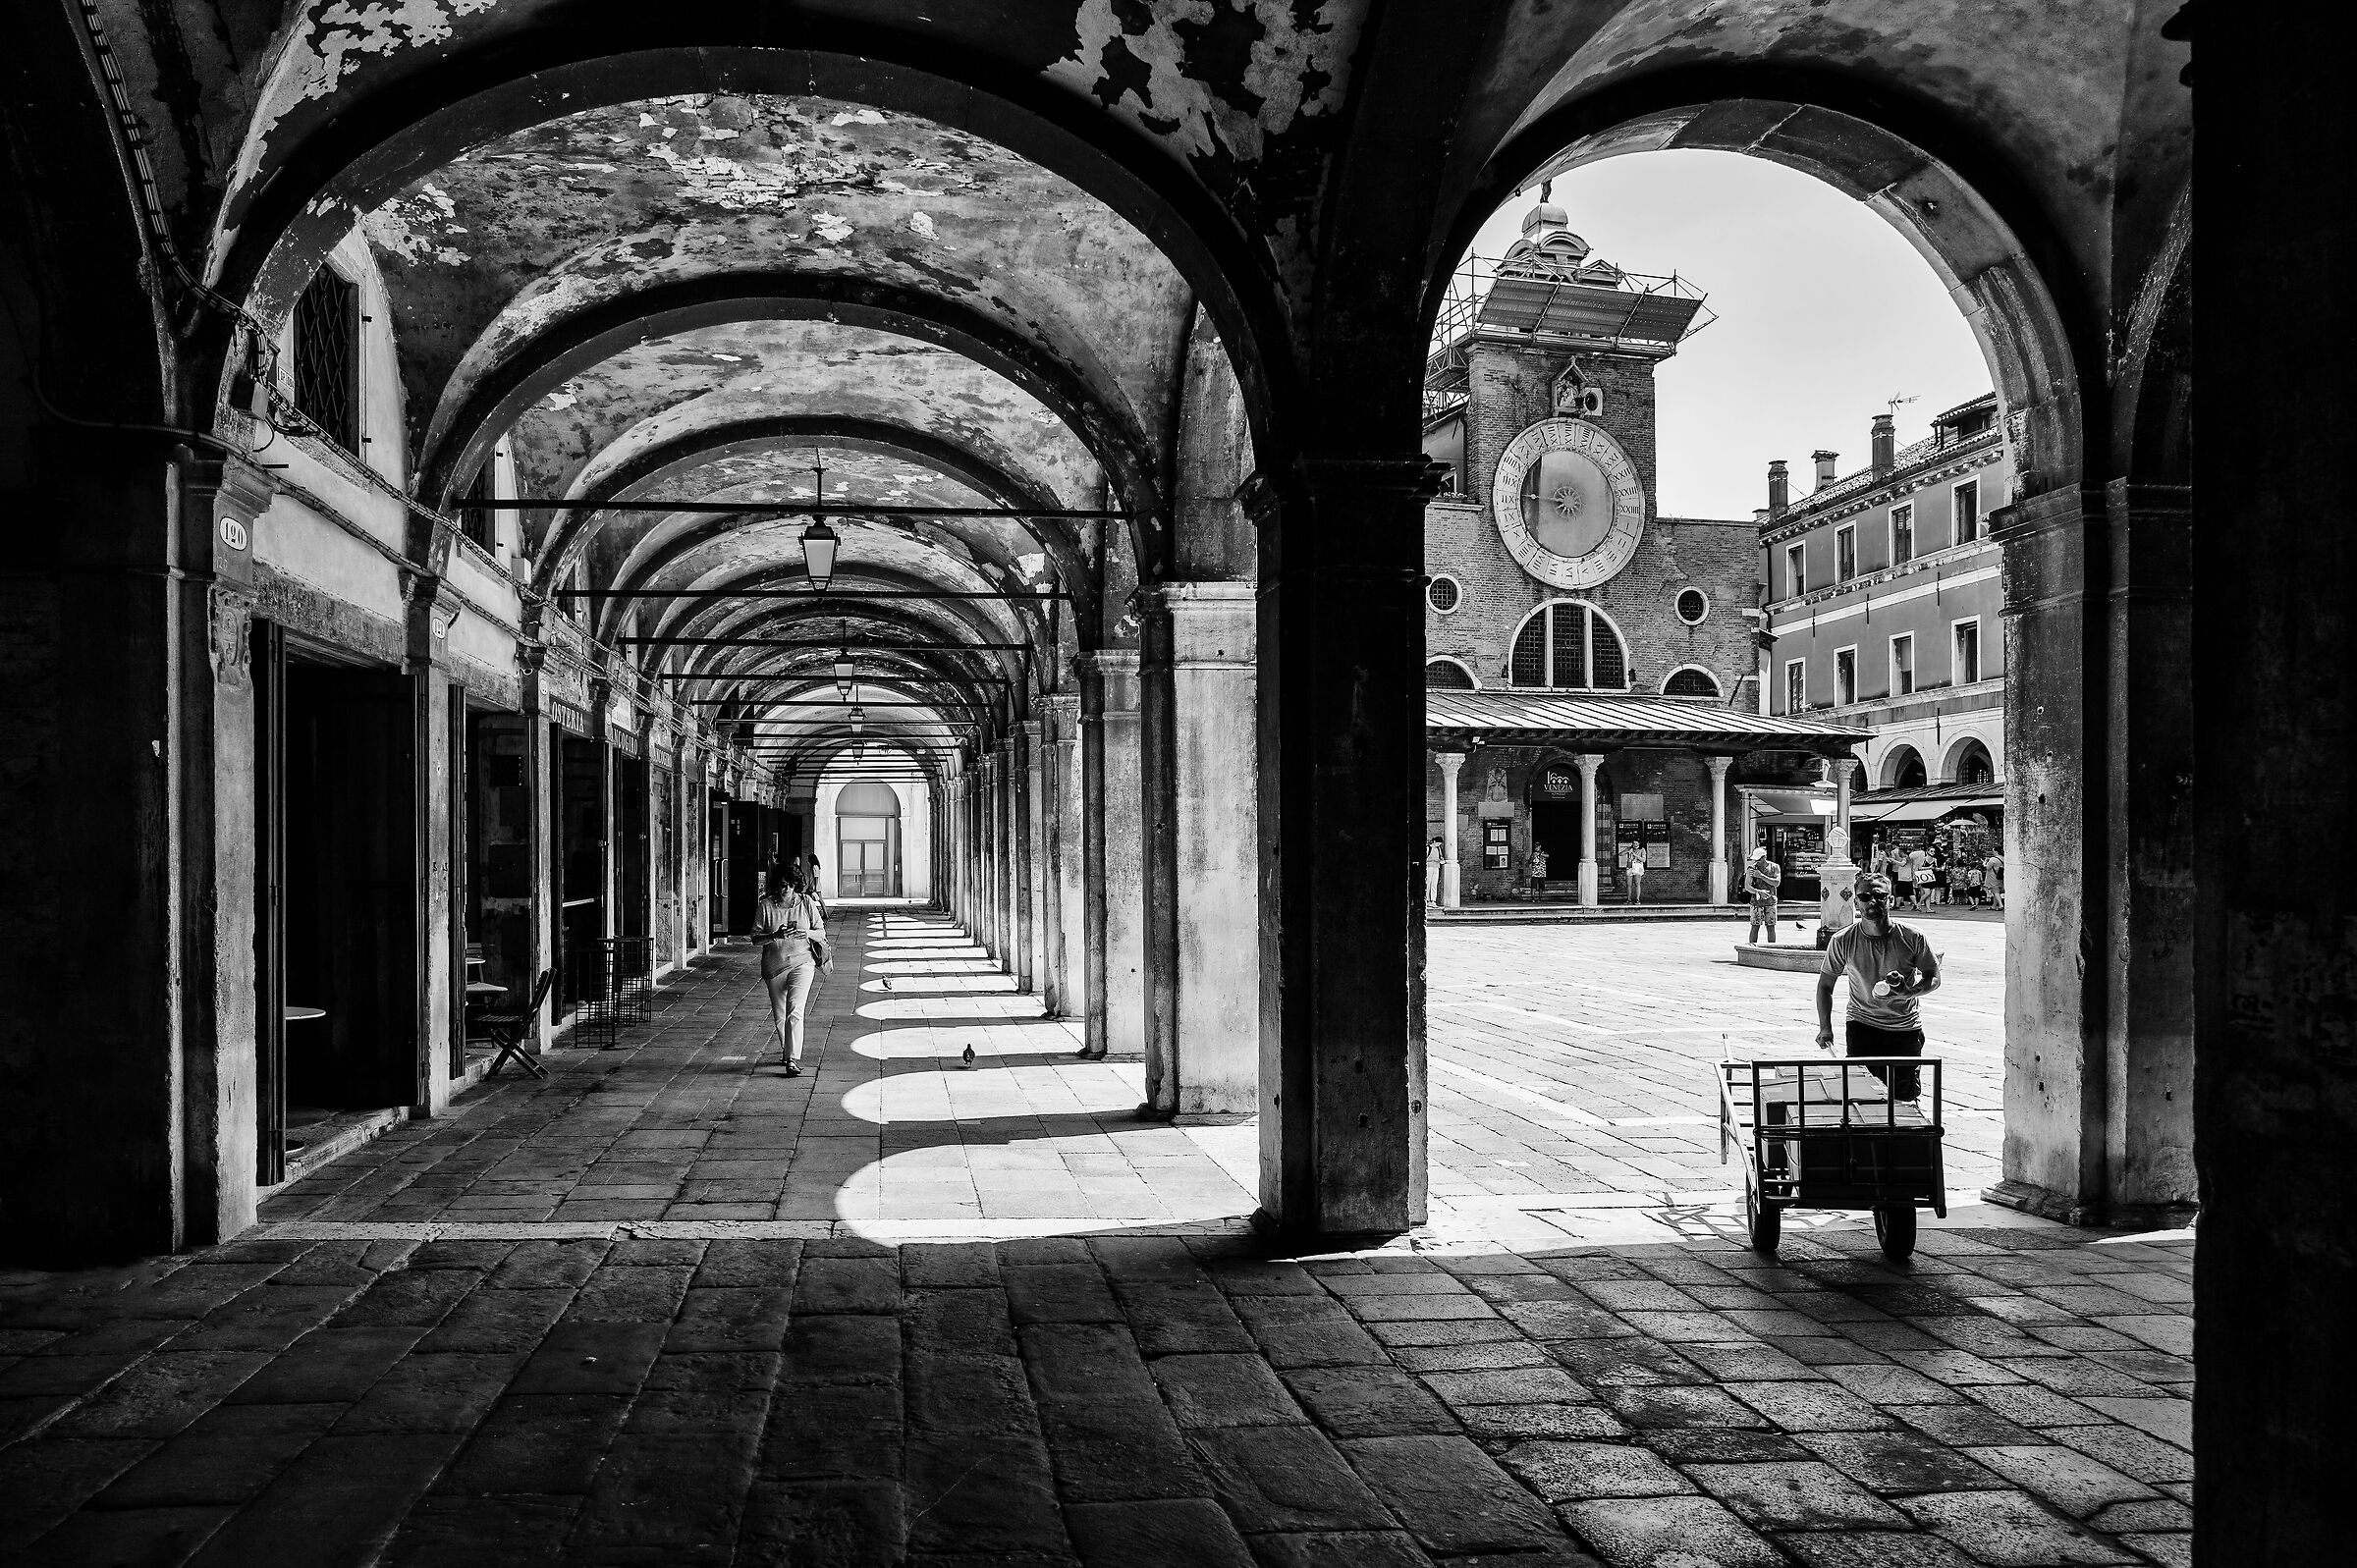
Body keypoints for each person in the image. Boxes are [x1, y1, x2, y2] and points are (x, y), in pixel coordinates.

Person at [1816, 873, 1942, 1100]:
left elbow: (1933, 976)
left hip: (1905, 1028)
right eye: (1864, 896)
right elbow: (1825, 985)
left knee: (1904, 1098)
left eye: (1879, 896)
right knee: (1863, 1096)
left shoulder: (1913, 937)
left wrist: (1909, 992)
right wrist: (1825, 1027)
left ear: (1890, 900)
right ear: (1856, 902)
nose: (1872, 901)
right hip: (1862, 1026)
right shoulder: (1842, 940)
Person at [750, 863, 829, 1075]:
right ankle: (787, 1051)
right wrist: (775, 936)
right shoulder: (765, 906)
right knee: (780, 1015)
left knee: (795, 1009)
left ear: (795, 886)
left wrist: (805, 932)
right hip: (774, 966)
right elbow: (755, 939)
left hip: (803, 963)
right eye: (780, 885)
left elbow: (820, 933)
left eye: (788, 885)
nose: (784, 889)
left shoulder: (806, 903)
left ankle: (792, 1059)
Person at [1745, 846, 1783, 945]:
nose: (1757, 862)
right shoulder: (1752, 868)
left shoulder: (1774, 867)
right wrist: (1758, 891)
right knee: (1755, 926)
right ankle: (1752, 948)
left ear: (1764, 857)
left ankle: (1772, 949)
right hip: (1756, 902)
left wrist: (1761, 876)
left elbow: (1776, 883)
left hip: (1770, 901)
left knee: (1771, 926)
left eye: (1759, 859)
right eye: (1755, 860)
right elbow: (1747, 886)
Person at [1425, 837, 1445, 904]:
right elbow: (1425, 859)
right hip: (1429, 867)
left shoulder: (1439, 849)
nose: (1438, 845)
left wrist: (1441, 860)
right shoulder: (1428, 848)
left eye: (1439, 844)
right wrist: (1434, 860)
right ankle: (1427, 899)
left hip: (1436, 867)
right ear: (1434, 842)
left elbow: (1440, 857)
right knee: (1428, 884)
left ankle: (1433, 900)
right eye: (1438, 843)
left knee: (1434, 884)